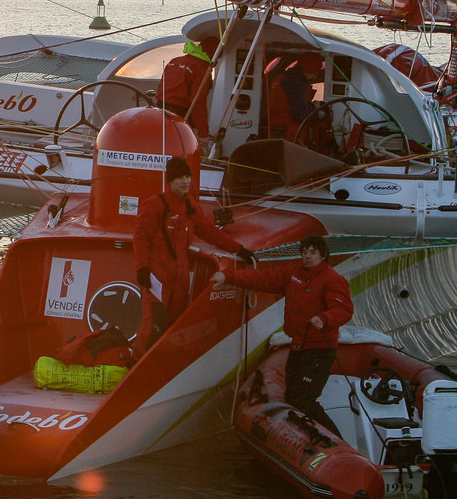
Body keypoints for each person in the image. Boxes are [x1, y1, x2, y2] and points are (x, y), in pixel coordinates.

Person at [211, 234, 352, 436]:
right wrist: (228, 277)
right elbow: (263, 278)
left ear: (323, 255)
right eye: (304, 252)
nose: (308, 256)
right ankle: (307, 437)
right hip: (298, 346)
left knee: (304, 399)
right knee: (293, 397)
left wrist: (325, 318)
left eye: (313, 252)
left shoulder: (332, 280)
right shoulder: (294, 274)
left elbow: (344, 309)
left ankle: (336, 441)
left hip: (319, 350)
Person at [132, 158, 245, 351]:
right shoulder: (154, 205)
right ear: (170, 181)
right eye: (179, 178)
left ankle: (162, 368)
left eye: (187, 177)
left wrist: (239, 249)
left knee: (174, 327)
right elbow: (140, 239)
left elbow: (212, 233)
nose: (185, 181)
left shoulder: (192, 208)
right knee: (154, 326)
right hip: (157, 278)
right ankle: (136, 365)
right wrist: (142, 268)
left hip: (181, 279)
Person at [156, 37, 221, 136]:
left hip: (160, 112)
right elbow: (198, 103)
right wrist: (203, 133)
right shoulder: (202, 68)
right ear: (215, 53)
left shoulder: (175, 61)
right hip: (180, 115)